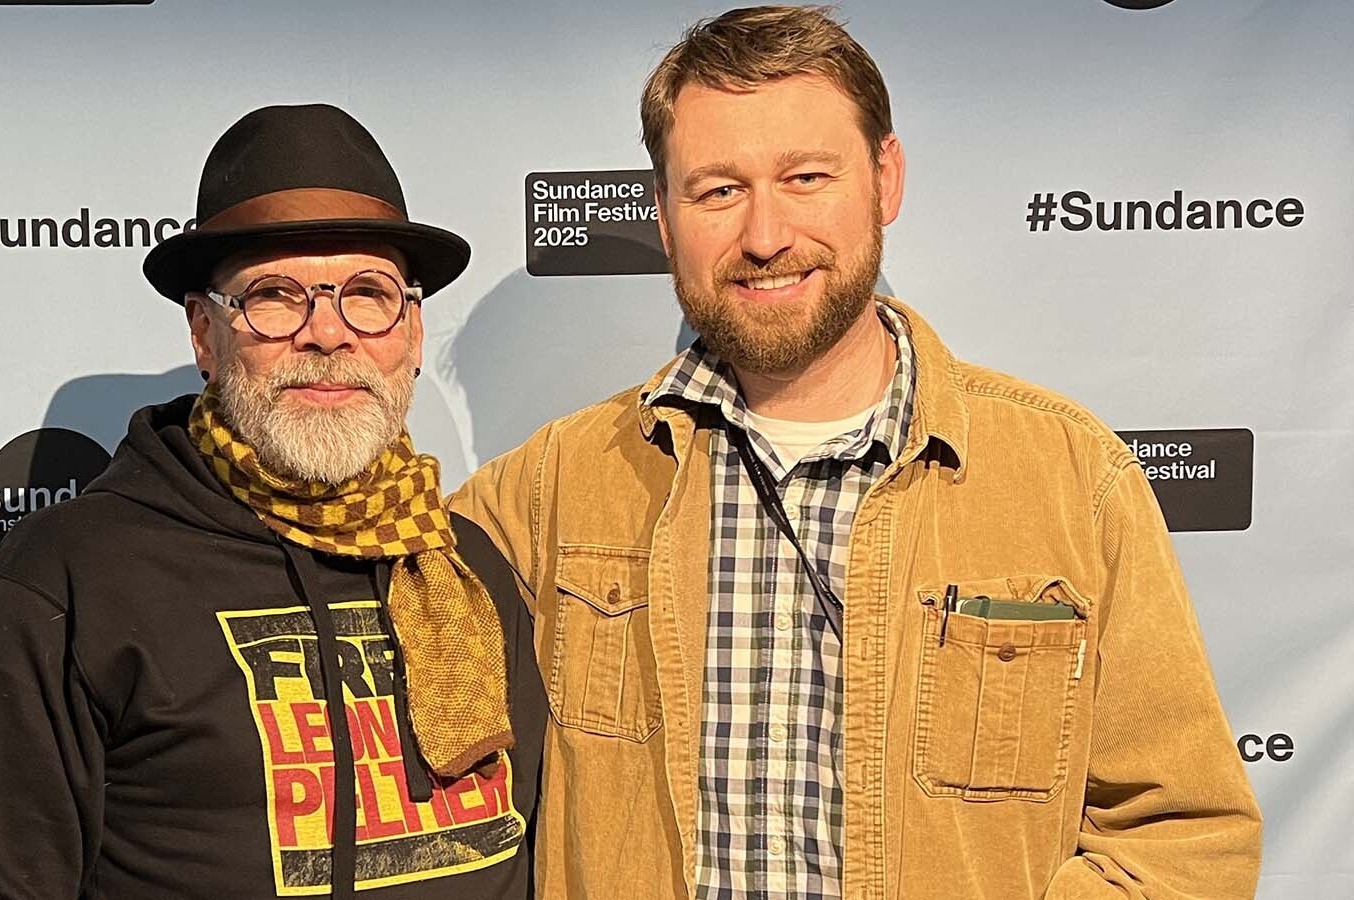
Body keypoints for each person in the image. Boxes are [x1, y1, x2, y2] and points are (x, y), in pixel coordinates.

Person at [449, 7, 1260, 899]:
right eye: (718, 190)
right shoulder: (551, 486)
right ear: (665, 217)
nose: (765, 235)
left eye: (805, 177)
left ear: (885, 179)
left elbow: (1183, 837)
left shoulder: (1073, 481)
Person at [0, 104, 545, 900]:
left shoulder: (469, 565)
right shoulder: (75, 573)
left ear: (413, 334)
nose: (328, 333)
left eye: (368, 293)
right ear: (205, 337)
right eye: (276, 296)